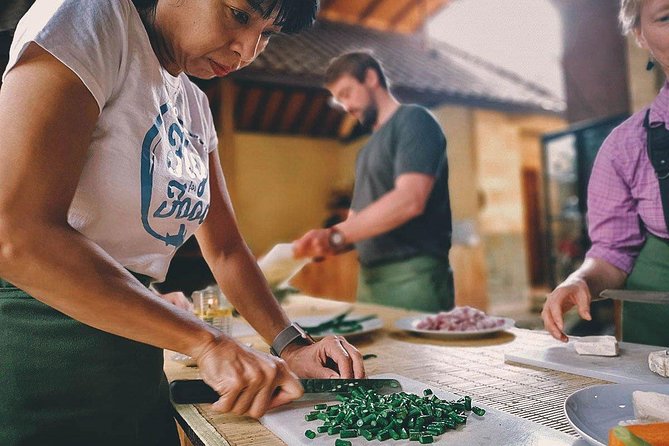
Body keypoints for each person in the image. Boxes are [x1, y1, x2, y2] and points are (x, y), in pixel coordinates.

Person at [0, 1, 366, 445]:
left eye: (267, 34)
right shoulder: (90, 18)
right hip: (43, 349)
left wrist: (293, 345)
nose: (248, 50)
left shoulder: (193, 104)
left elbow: (227, 250)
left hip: (136, 350)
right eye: (239, 14)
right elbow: (17, 234)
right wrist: (208, 343)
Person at [542, 0, 669, 347]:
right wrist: (580, 280)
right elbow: (612, 251)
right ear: (640, 35)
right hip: (660, 334)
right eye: (667, 16)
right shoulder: (626, 146)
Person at [293, 52, 453, 313]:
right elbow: (356, 222)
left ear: (370, 77)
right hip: (368, 282)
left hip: (414, 278)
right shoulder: (365, 152)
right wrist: (324, 243)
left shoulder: (414, 120)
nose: (345, 106)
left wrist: (335, 235)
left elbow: (410, 200)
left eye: (346, 93)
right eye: (338, 99)